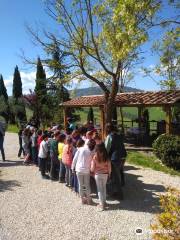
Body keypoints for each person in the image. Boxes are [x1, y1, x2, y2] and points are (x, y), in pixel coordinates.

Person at [105, 124, 127, 200]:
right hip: (122, 157)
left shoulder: (109, 137)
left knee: (115, 176)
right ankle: (115, 192)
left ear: (108, 129)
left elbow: (106, 149)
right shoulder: (119, 136)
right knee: (118, 174)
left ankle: (119, 195)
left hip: (114, 158)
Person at [72, 139, 96, 204]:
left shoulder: (80, 149)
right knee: (87, 185)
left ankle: (82, 199)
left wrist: (72, 168)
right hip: (86, 170)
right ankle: (88, 199)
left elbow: (75, 159)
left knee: (80, 185)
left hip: (79, 169)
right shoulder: (92, 152)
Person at [91, 143, 111, 210]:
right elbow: (109, 167)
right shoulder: (106, 156)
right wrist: (109, 174)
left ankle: (101, 204)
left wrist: (92, 172)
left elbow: (92, 168)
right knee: (104, 188)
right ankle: (104, 201)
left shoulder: (95, 156)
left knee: (99, 189)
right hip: (105, 174)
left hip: (98, 174)